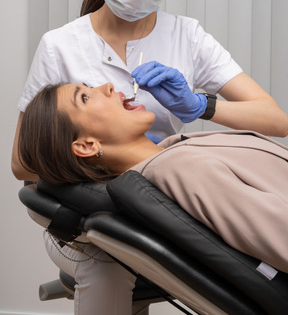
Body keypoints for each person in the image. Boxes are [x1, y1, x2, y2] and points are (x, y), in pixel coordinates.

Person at [11, 0, 288, 315]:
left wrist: (200, 106)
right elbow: (23, 162)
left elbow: (273, 120)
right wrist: (126, 171)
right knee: (107, 259)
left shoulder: (187, 39)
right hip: (98, 212)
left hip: (171, 198)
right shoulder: (61, 46)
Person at [19, 81, 288, 276]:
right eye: (86, 98)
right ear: (87, 145)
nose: (108, 86)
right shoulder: (179, 169)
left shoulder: (173, 152)